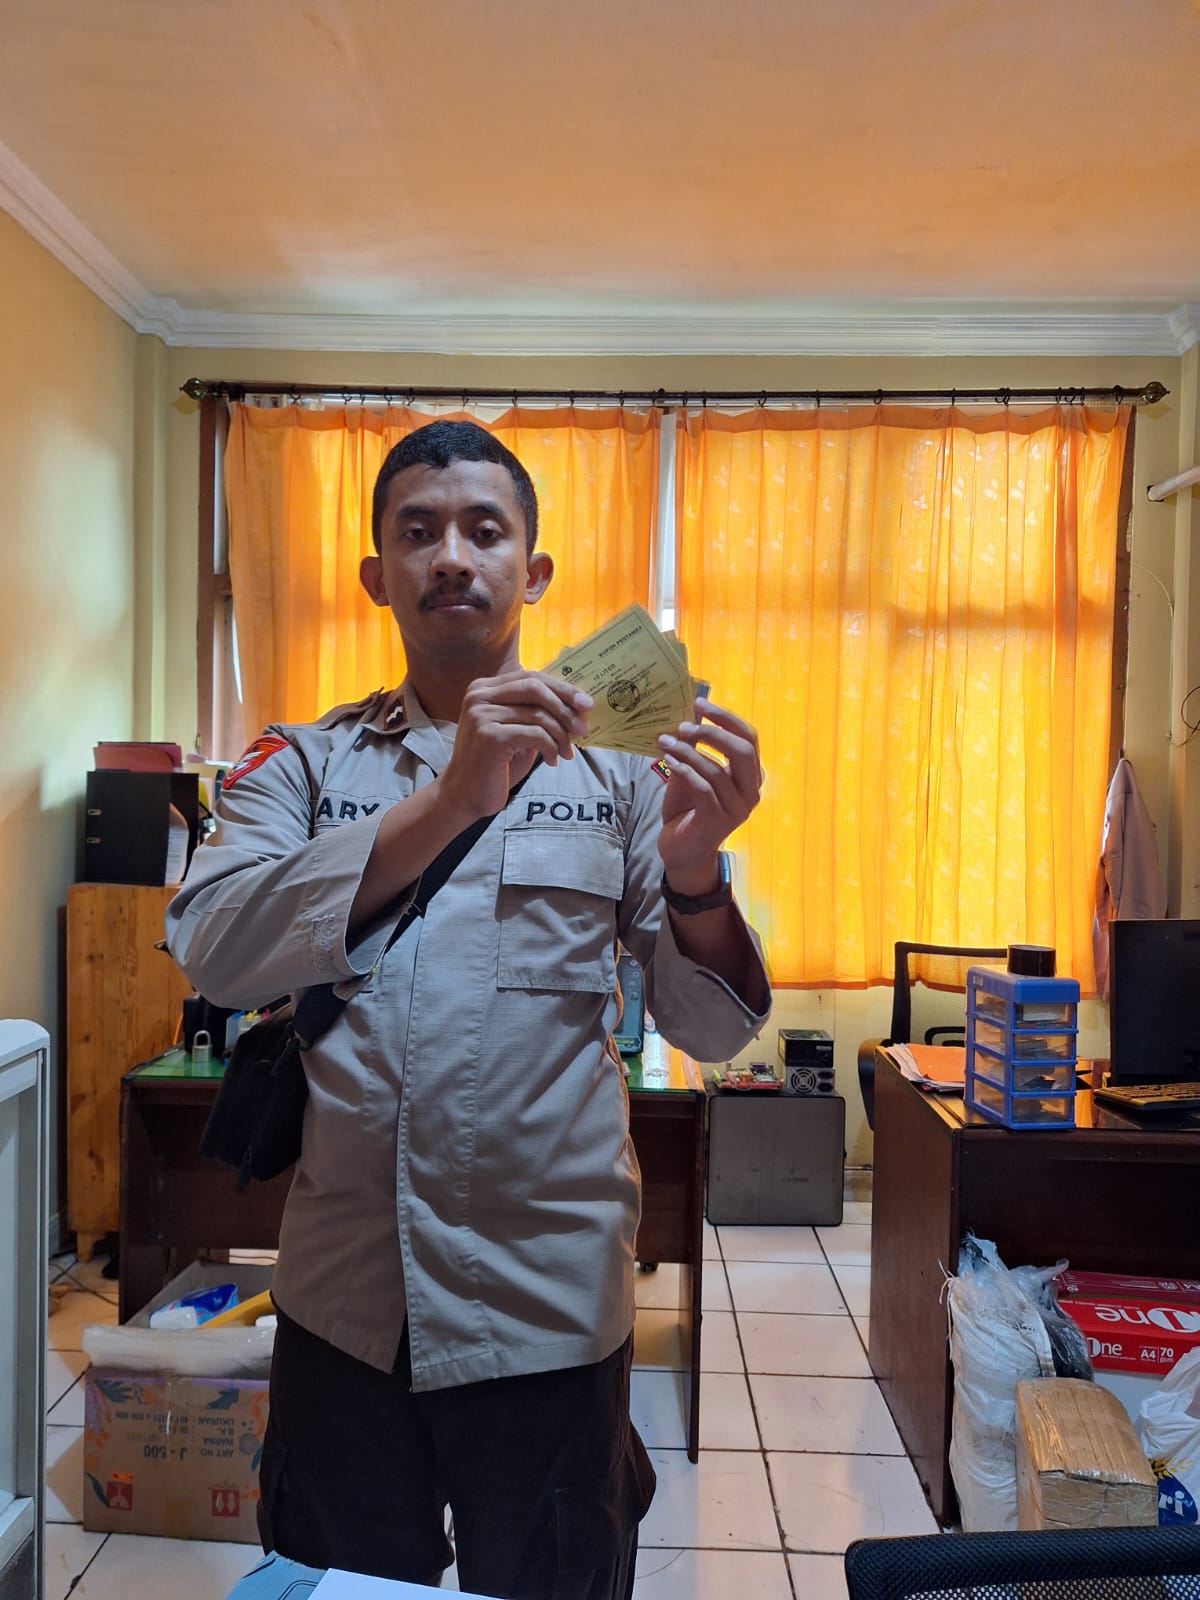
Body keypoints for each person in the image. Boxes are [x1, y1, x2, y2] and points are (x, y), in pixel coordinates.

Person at [166, 420, 771, 1600]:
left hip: (549, 1308)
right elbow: (216, 948)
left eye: (483, 530)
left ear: (531, 571)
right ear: (377, 574)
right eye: (419, 531)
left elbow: (709, 1031)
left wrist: (696, 872)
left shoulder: (621, 779)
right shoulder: (302, 763)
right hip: (348, 1304)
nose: (451, 555)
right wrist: (449, 800)